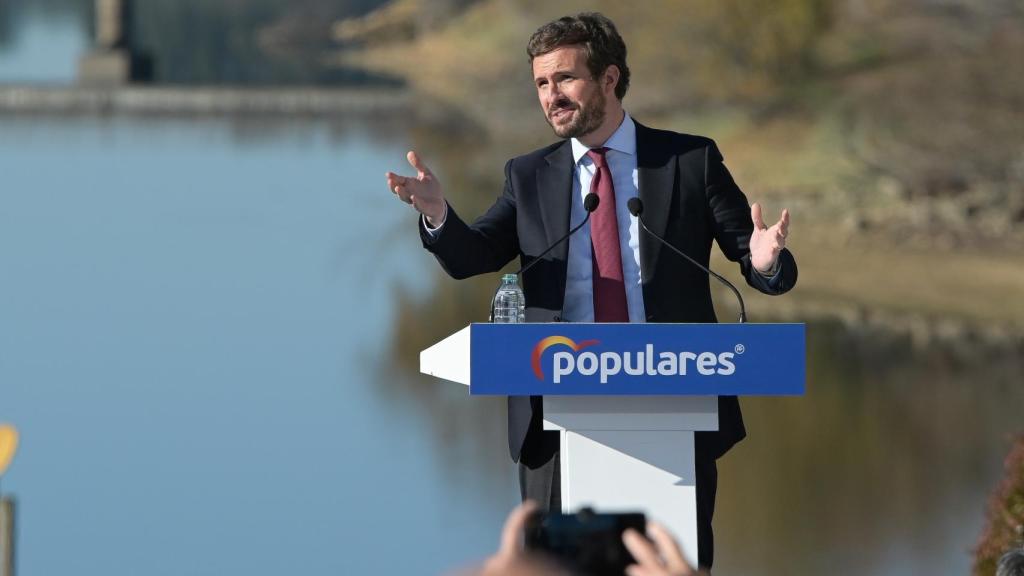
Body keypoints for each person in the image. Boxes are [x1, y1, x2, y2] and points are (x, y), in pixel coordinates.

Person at [386, 12, 797, 570]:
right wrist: (438, 215)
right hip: (556, 415)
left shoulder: (688, 161)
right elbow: (474, 256)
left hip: (677, 403)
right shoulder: (528, 175)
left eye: (564, 79)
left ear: (609, 78)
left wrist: (767, 261)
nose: (550, 96)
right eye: (540, 84)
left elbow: (750, 258)